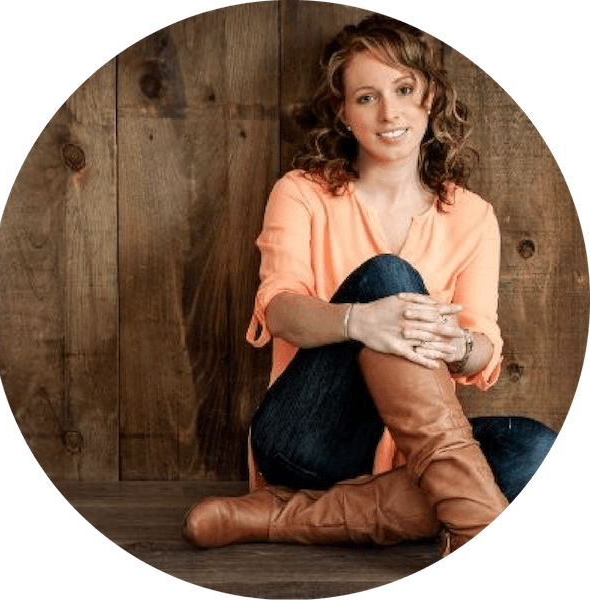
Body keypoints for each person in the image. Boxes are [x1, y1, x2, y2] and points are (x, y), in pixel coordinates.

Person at [183, 15, 556, 556]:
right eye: (366, 97)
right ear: (343, 112)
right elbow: (278, 308)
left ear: (430, 96)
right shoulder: (301, 192)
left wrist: (459, 345)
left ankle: (279, 517)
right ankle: (472, 523)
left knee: (536, 450)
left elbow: (484, 351)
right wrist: (359, 321)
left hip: (411, 460)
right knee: (388, 277)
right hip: (307, 443)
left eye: (403, 89)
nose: (389, 114)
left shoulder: (471, 216)